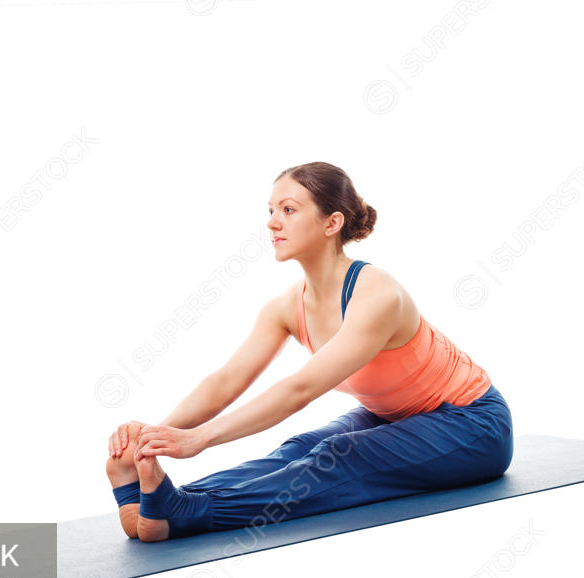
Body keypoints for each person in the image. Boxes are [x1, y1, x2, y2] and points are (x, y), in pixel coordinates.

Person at [106, 161, 513, 542]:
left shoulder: (378, 294)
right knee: (299, 449)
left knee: (336, 455)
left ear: (331, 223)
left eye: (288, 209)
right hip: (396, 416)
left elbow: (301, 389)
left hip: (474, 425)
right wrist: (154, 437)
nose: (272, 222)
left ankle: (186, 514)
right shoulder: (287, 307)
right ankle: (158, 504)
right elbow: (227, 380)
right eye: (270, 210)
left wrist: (200, 439)